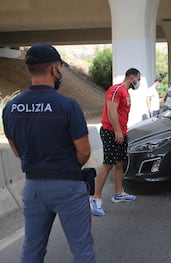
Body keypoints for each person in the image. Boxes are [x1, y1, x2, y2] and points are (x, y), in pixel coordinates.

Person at [2, 43, 95, 262]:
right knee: (82, 249)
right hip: (68, 185)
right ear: (54, 69)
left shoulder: (10, 108)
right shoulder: (67, 106)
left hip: (33, 187)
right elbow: (84, 152)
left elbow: (16, 151)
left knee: (32, 249)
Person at [90, 68, 141, 216]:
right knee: (108, 163)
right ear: (131, 77)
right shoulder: (116, 89)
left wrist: (121, 132)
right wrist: (117, 131)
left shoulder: (126, 92)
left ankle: (119, 193)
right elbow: (112, 111)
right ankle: (96, 198)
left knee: (119, 163)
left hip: (120, 132)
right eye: (138, 79)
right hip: (111, 132)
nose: (138, 82)